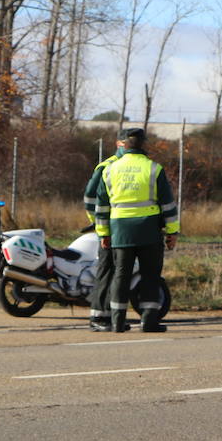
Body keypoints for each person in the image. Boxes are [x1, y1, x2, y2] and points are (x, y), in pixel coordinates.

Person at [94, 127, 178, 333]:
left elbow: (101, 206)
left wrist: (103, 233)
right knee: (150, 276)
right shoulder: (153, 169)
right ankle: (149, 322)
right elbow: (168, 204)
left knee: (120, 276)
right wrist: (172, 232)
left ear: (124, 145)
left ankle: (116, 322)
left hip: (120, 231)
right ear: (144, 145)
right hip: (149, 230)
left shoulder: (110, 169)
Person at [83, 138, 126, 332]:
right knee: (107, 271)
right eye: (126, 143)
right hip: (109, 229)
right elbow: (90, 198)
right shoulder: (107, 166)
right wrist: (99, 224)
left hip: (122, 230)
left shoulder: (130, 166)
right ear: (118, 144)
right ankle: (98, 316)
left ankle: (109, 315)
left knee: (117, 272)